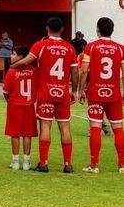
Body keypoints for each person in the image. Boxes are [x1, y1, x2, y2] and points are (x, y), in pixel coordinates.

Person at [11, 16, 79, 173]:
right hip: (62, 93)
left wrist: (12, 67)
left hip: (46, 93)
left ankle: (43, 163)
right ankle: (68, 164)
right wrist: (74, 91)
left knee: (45, 127)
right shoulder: (69, 48)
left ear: (47, 28)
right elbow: (75, 71)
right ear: (62, 30)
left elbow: (26, 61)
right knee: (65, 127)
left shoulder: (40, 45)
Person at [78, 17, 124, 173]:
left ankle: (94, 165)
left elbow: (84, 70)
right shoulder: (120, 48)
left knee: (95, 127)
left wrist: (80, 89)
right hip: (114, 94)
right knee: (118, 128)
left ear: (97, 30)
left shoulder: (91, 47)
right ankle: (122, 165)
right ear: (112, 30)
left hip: (96, 93)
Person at [2, 45, 38, 171]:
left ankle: (16, 162)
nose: (11, 56)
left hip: (14, 106)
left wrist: (11, 101)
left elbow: (5, 92)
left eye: (13, 54)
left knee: (15, 134)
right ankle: (27, 162)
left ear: (21, 57)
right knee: (27, 134)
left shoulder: (11, 71)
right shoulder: (34, 71)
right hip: (29, 106)